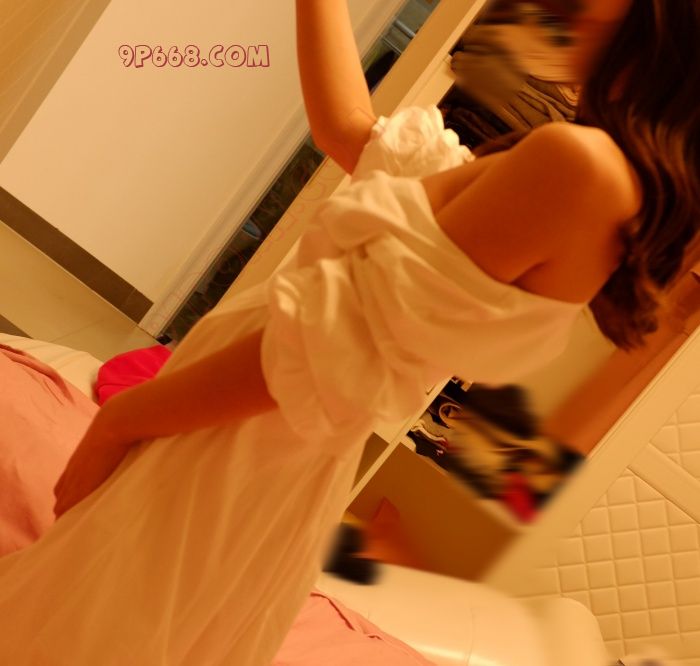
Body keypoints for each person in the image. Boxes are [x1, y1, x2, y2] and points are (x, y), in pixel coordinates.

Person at [0, 0, 697, 663]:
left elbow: (313, 356)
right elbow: (352, 133)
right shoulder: (588, 170)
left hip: (243, 434)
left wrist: (120, 420)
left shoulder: (579, 167)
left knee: (80, 630)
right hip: (255, 435)